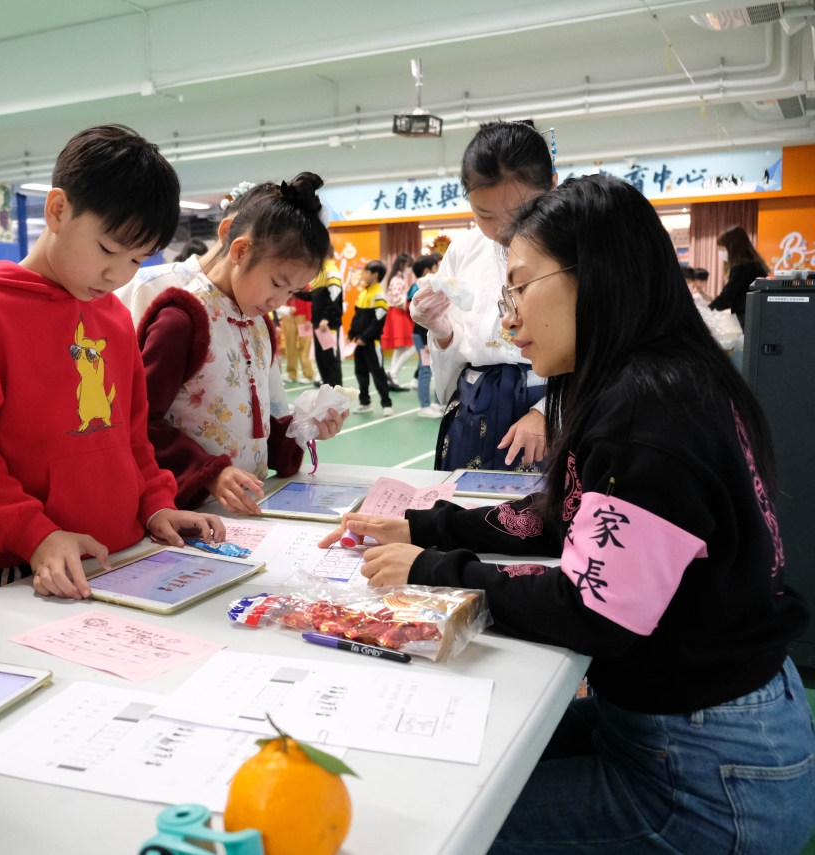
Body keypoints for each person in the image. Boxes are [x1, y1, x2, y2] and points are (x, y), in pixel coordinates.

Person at [323, 175, 815, 854]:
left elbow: (592, 608)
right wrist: (423, 526)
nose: (509, 321)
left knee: (429, 833)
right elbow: (560, 514)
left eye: (520, 289)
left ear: (597, 277)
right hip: (685, 725)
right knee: (453, 770)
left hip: (704, 776)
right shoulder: (650, 381)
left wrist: (433, 569)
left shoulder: (651, 415)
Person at [0, 124, 224, 600]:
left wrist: (157, 505)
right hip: (35, 565)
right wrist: (36, 535)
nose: (116, 275)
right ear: (57, 210)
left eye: (137, 260)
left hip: (129, 555)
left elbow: (132, 439)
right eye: (107, 249)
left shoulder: (113, 316)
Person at [138, 173, 348, 514]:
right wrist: (209, 473)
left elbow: (253, 426)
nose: (280, 301)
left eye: (292, 291)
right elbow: (141, 421)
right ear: (239, 250)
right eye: (277, 283)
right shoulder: (182, 318)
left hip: (244, 507)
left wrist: (303, 428)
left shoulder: (258, 324)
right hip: (189, 511)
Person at [411, 120, 554, 472]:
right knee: (462, 500)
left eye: (521, 212)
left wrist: (550, 412)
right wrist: (441, 329)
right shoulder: (464, 249)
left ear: (552, 186)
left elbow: (604, 350)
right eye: (485, 214)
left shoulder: (574, 250)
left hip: (551, 403)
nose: (503, 230)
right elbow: (462, 348)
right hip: (474, 406)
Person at [115, 180, 256, 327]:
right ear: (227, 232)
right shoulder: (147, 285)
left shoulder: (253, 312)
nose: (273, 301)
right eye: (274, 281)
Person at [348, 259, 395, 416]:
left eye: (366, 272)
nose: (364, 275)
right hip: (359, 342)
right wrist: (351, 334)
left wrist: (365, 337)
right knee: (360, 372)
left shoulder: (379, 295)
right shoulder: (363, 293)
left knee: (377, 372)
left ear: (375, 275)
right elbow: (357, 317)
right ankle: (365, 402)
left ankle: (387, 404)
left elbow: (378, 321)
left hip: (371, 342)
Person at [408, 253, 445, 417]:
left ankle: (438, 403)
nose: (439, 269)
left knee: (437, 368)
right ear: (427, 270)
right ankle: (424, 406)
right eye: (436, 266)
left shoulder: (431, 286)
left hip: (432, 334)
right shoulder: (419, 289)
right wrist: (425, 342)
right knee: (425, 370)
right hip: (422, 336)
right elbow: (419, 319)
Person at [708, 226, 769, 324]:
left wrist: (706, 311)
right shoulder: (753, 264)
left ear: (732, 247)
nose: (720, 251)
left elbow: (728, 295)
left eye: (722, 247)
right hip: (756, 314)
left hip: (748, 317)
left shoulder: (743, 266)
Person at [310, 247, 345, 388]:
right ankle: (328, 392)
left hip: (327, 325)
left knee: (331, 359)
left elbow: (335, 296)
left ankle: (337, 395)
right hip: (318, 323)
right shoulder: (320, 273)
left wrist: (327, 318)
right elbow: (315, 297)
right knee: (322, 359)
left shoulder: (332, 271)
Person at [381, 252, 415, 392]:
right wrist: (411, 299)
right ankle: (393, 373)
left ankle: (393, 378)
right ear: (402, 265)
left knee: (400, 347)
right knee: (413, 345)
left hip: (400, 313)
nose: (410, 268)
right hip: (399, 313)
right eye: (408, 265)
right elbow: (397, 299)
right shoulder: (397, 280)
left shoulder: (399, 279)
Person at [279, 287, 316, 383]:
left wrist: (309, 319)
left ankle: (308, 375)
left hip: (303, 317)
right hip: (288, 316)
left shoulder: (305, 284)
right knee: (290, 345)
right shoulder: (287, 283)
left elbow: (309, 301)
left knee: (305, 346)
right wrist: (280, 318)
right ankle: (292, 374)